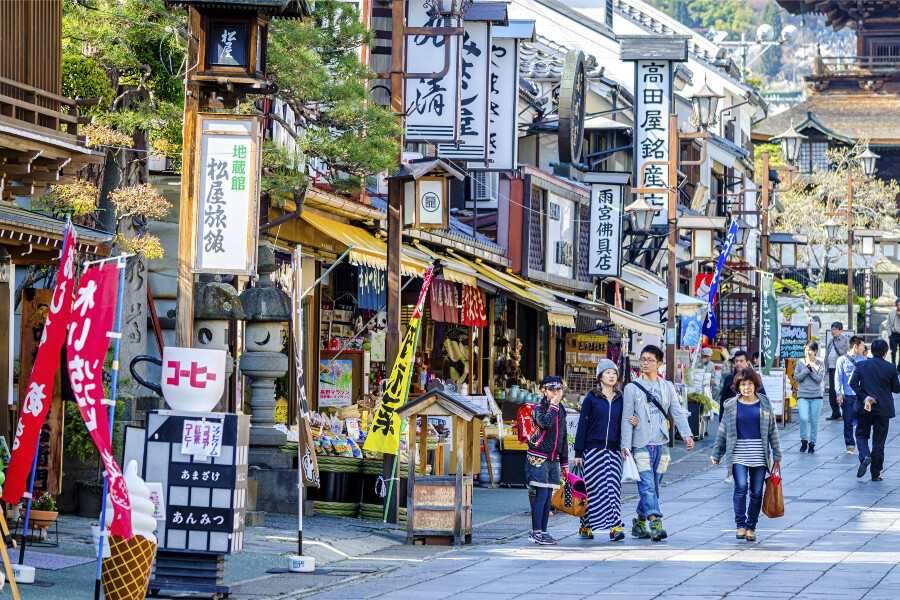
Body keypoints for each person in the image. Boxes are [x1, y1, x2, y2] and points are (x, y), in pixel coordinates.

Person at [621, 345, 694, 542]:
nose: (645, 363)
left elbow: (677, 411)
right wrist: (625, 446)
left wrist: (687, 434)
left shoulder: (667, 387)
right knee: (646, 485)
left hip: (661, 443)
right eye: (642, 359)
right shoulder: (631, 388)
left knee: (654, 485)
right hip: (640, 443)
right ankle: (655, 523)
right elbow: (627, 418)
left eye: (649, 360)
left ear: (659, 364)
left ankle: (638, 522)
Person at [711, 368, 782, 542]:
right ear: (738, 386)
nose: (747, 387)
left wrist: (777, 455)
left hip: (759, 454)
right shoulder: (730, 405)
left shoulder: (764, 402)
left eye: (750, 384)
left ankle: (751, 526)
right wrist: (717, 453)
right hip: (738, 454)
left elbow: (772, 430)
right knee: (741, 488)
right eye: (743, 384)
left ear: (755, 385)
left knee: (757, 492)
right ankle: (740, 525)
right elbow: (723, 431)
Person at [573, 360, 638, 541]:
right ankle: (586, 526)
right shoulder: (591, 398)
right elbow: (582, 426)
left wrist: (635, 421)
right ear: (600, 376)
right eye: (607, 372)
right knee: (591, 489)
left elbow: (628, 422)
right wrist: (578, 453)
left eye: (614, 373)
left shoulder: (622, 399)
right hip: (592, 451)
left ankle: (616, 526)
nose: (611, 376)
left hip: (615, 451)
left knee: (612, 488)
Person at [526, 375, 569, 545]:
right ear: (544, 391)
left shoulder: (561, 409)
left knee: (548, 497)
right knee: (541, 494)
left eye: (559, 390)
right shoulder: (539, 409)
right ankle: (536, 531)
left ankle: (543, 531)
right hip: (538, 458)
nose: (556, 393)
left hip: (553, 459)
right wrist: (553, 406)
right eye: (552, 390)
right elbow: (545, 423)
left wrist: (564, 462)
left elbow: (564, 436)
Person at [849, 339, 900, 481]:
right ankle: (875, 473)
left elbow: (852, 383)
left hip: (866, 407)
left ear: (871, 351)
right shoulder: (890, 367)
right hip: (883, 408)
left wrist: (865, 397)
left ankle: (865, 456)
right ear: (885, 352)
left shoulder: (862, 364)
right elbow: (896, 389)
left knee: (861, 434)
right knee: (879, 441)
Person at [834, 336, 867, 455]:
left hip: (860, 395)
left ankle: (861, 442)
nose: (863, 348)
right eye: (862, 345)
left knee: (862, 420)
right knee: (847, 421)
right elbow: (838, 378)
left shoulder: (864, 360)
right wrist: (839, 394)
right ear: (855, 346)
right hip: (847, 395)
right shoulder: (842, 360)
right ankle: (850, 445)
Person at [793, 341, 825, 453]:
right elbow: (796, 377)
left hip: (817, 396)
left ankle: (812, 443)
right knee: (803, 418)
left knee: (814, 420)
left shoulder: (820, 364)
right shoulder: (800, 363)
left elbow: (818, 379)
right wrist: (807, 369)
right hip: (802, 395)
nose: (808, 352)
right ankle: (804, 440)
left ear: (815, 351)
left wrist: (811, 370)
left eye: (810, 350)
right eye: (806, 350)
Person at [824, 322, 850, 420]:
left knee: (841, 390)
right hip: (831, 368)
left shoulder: (845, 340)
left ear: (840, 330)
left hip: (841, 369)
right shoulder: (830, 341)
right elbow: (827, 355)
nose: (833, 331)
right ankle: (835, 412)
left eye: (835, 329)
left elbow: (848, 354)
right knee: (832, 391)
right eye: (832, 329)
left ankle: (845, 413)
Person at [882, 298, 900, 370]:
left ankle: (899, 367)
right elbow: (888, 324)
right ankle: (893, 365)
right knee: (893, 351)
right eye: (899, 304)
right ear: (896, 305)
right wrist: (889, 334)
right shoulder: (891, 313)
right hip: (894, 334)